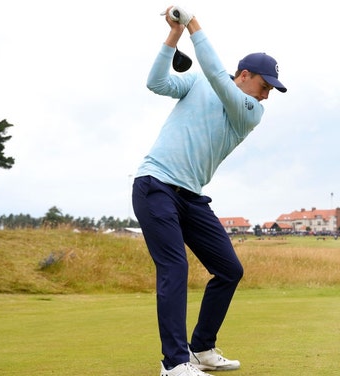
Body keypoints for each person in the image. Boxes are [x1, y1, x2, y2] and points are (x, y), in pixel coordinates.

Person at [131, 6, 286, 376]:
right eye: (265, 86)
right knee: (174, 266)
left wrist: (193, 24)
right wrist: (174, 34)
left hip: (191, 197)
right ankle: (174, 362)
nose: (266, 96)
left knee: (229, 269)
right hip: (155, 184)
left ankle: (201, 348)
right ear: (245, 76)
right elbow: (156, 83)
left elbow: (217, 76)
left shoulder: (249, 111)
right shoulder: (198, 83)